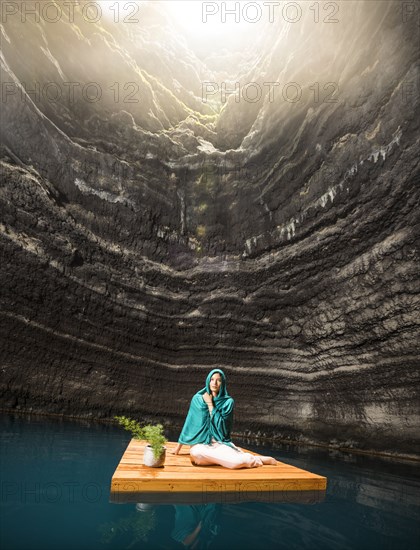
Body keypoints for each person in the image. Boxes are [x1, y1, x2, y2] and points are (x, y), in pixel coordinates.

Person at [171, 369, 277, 469]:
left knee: (236, 463)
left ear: (223, 383)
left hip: (219, 442)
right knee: (196, 455)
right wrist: (178, 447)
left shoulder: (228, 402)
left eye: (218, 380)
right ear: (208, 381)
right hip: (200, 444)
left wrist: (209, 403)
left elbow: (222, 427)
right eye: (212, 379)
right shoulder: (198, 399)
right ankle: (230, 457)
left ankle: (255, 460)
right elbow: (189, 423)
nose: (214, 383)